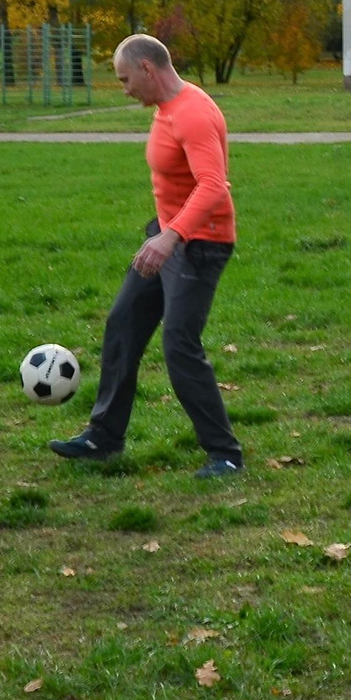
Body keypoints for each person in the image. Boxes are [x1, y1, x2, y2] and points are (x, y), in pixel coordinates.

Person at [51, 33, 245, 478]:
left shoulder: (193, 114)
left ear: (147, 69)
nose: (124, 90)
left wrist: (170, 236)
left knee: (179, 345)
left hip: (200, 244)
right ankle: (103, 438)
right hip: (169, 235)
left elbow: (214, 187)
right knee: (123, 323)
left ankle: (226, 454)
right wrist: (162, 231)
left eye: (124, 79)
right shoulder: (165, 107)